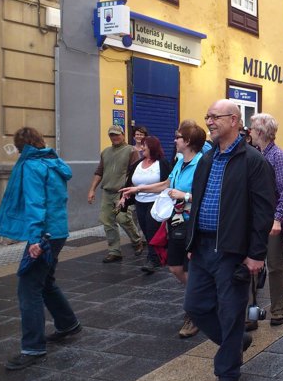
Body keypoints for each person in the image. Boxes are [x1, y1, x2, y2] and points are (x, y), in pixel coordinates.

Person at [184, 99, 276, 381]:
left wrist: (256, 254)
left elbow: (264, 211)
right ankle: (235, 342)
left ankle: (228, 377)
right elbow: (197, 202)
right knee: (195, 306)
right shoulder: (207, 160)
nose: (208, 121)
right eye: (207, 116)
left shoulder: (253, 161)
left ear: (234, 120)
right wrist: (191, 240)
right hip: (203, 247)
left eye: (215, 117)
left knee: (230, 312)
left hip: (233, 251)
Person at [0, 127, 81, 370]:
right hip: (58, 231)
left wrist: (34, 239)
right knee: (45, 281)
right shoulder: (53, 161)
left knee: (28, 287)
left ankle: (33, 347)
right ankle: (67, 323)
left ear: (22, 148)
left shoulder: (32, 166)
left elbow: (35, 203)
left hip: (43, 234)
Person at [121, 121, 206, 338]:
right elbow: (167, 183)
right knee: (175, 268)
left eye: (178, 137)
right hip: (175, 222)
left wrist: (185, 196)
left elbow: (209, 198)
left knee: (189, 268)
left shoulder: (202, 164)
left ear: (187, 141)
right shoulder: (179, 161)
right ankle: (202, 295)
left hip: (192, 224)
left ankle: (194, 312)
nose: (174, 140)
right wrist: (138, 188)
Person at [250, 113, 283, 327]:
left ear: (261, 132)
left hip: (272, 219)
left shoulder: (278, 157)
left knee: (273, 265)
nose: (250, 132)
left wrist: (277, 220)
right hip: (255, 219)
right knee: (251, 265)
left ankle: (279, 308)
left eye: (252, 129)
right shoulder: (256, 154)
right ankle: (250, 314)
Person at [88, 125, 143, 263]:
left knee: (123, 218)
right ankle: (114, 251)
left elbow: (136, 172)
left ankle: (137, 241)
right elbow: (99, 172)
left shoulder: (131, 150)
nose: (115, 137)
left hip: (122, 192)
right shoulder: (105, 152)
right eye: (112, 135)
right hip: (107, 191)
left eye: (117, 134)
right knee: (107, 221)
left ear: (123, 135)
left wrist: (129, 191)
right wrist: (92, 189)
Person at [121, 136, 171, 274]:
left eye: (145, 146)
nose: (142, 148)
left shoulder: (162, 163)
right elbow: (130, 183)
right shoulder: (137, 164)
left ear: (152, 148)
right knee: (146, 230)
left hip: (156, 201)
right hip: (140, 201)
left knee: (151, 229)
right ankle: (159, 252)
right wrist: (124, 197)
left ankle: (153, 259)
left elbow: (167, 183)